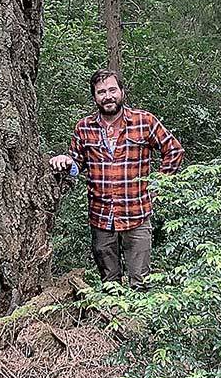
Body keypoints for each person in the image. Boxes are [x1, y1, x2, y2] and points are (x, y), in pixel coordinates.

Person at [49, 69, 185, 285]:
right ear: (94, 96)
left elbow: (174, 151)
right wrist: (65, 162)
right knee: (109, 283)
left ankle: (137, 319)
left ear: (122, 91)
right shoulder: (84, 127)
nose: (108, 96)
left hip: (137, 214)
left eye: (112, 90)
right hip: (101, 217)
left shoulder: (144, 121)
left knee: (140, 283)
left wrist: (157, 187)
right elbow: (77, 164)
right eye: (101, 92)